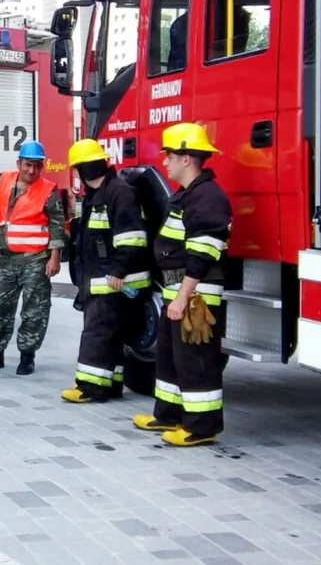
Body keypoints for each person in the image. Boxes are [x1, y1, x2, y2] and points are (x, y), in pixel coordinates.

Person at [133, 122, 231, 447]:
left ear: (186, 158)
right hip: (177, 292)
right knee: (170, 357)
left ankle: (201, 428)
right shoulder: (188, 194)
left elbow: (201, 255)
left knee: (195, 361)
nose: (164, 162)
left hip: (195, 295)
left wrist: (182, 298)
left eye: (169, 156)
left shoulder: (208, 197)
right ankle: (168, 415)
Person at [60, 139, 154, 404]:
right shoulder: (100, 194)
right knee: (111, 336)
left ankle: (90, 387)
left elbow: (132, 238)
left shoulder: (119, 193)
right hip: (105, 280)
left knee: (97, 334)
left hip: (114, 282)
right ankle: (110, 384)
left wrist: (117, 271)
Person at [0, 141, 66, 375]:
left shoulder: (48, 190)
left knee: (34, 309)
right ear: (19, 163)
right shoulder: (3, 180)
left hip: (35, 259)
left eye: (37, 166)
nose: (32, 171)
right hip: (5, 258)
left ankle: (27, 357)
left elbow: (57, 225)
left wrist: (54, 257)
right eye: (28, 165)